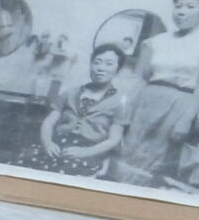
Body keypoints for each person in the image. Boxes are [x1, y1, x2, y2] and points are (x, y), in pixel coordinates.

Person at [113, 0, 199, 188]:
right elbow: (139, 79)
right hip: (146, 102)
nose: (181, 11)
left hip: (180, 105)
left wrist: (186, 119)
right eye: (178, 6)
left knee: (157, 160)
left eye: (190, 6)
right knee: (128, 150)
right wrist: (125, 111)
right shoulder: (156, 41)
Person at [36, 42, 132, 176]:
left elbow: (113, 140)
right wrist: (48, 143)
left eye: (109, 64)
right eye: (97, 62)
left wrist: (84, 152)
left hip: (91, 153)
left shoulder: (120, 102)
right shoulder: (70, 93)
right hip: (58, 147)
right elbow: (49, 122)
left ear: (118, 69)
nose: (101, 68)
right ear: (91, 65)